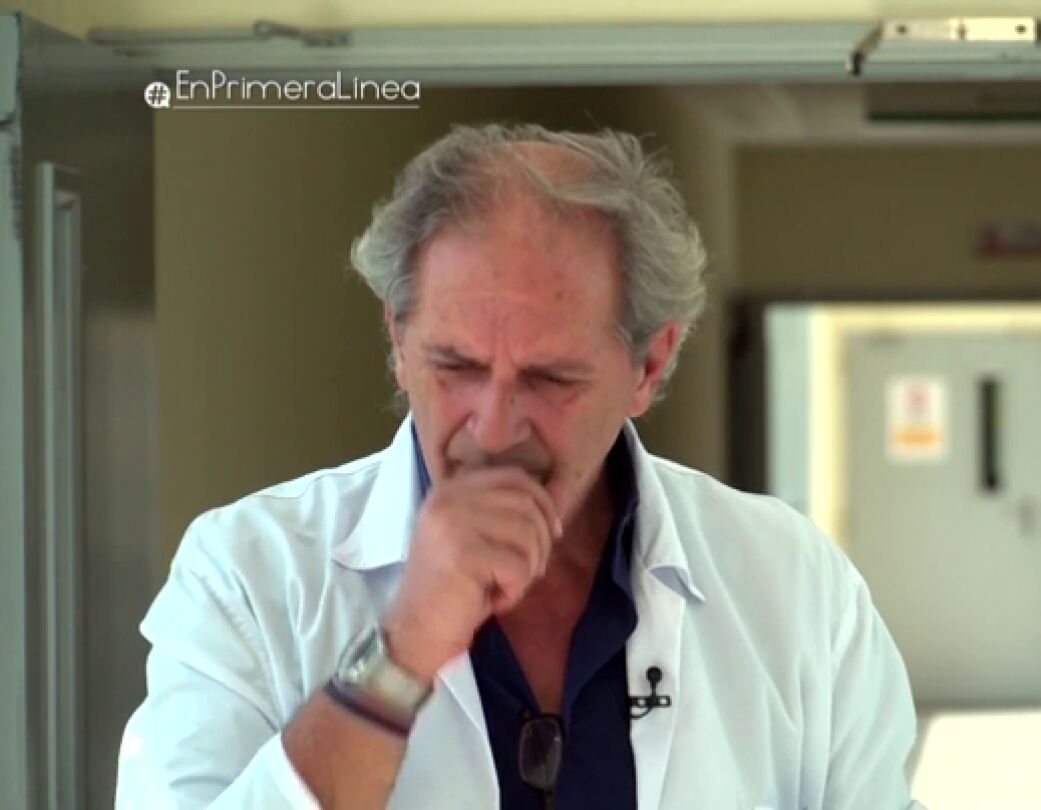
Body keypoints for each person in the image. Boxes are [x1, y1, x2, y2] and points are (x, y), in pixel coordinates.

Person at [115, 122, 923, 809]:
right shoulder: (247, 574)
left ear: (649, 366)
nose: (495, 428)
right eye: (456, 367)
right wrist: (401, 653)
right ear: (398, 340)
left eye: (550, 379)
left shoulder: (793, 582)